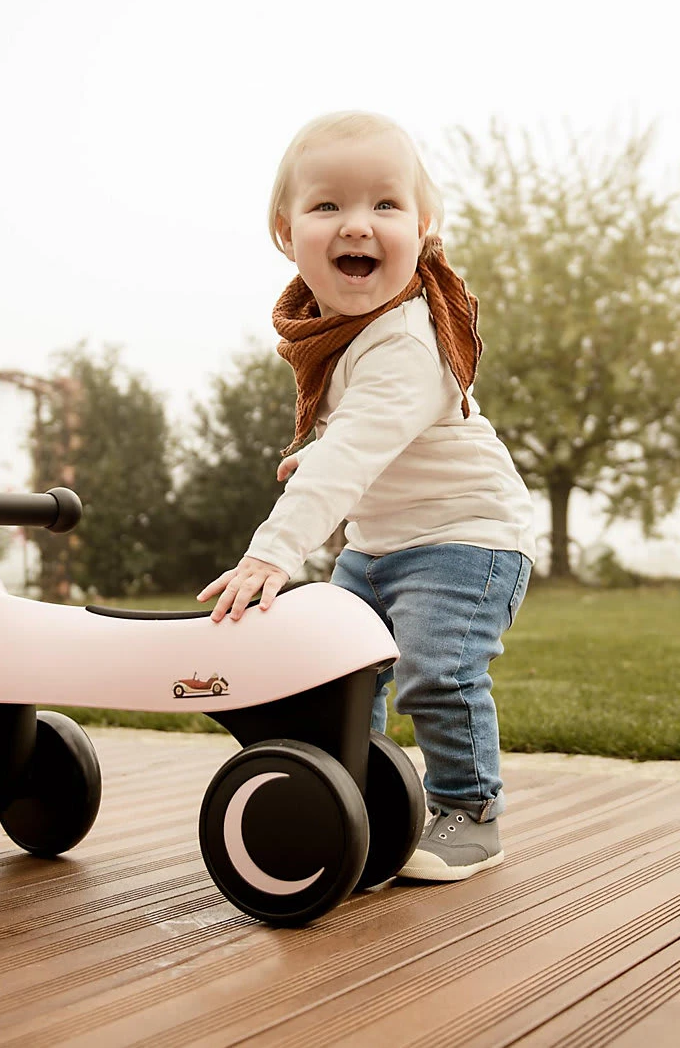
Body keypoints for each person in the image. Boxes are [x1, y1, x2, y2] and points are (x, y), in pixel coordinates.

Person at [196, 110, 536, 881]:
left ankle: (471, 814)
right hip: (380, 545)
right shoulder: (346, 333)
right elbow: (357, 435)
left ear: (423, 226)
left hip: (466, 539)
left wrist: (273, 551)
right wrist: (319, 453)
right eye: (329, 206)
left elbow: (358, 446)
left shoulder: (409, 338)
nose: (358, 224)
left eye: (385, 205)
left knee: (434, 669)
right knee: (341, 665)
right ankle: (357, 791)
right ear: (287, 232)